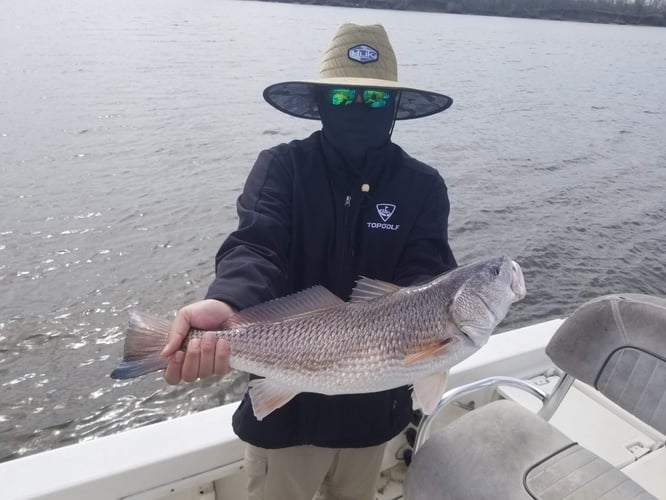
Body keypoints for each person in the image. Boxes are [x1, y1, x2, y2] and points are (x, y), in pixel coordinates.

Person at [161, 23, 457, 500]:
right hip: (286, 417)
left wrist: (442, 324)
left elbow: (427, 277)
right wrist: (228, 300)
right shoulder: (283, 168)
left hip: (373, 410)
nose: (360, 108)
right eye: (343, 96)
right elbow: (256, 247)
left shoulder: (421, 185)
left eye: (377, 99)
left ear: (396, 108)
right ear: (320, 101)